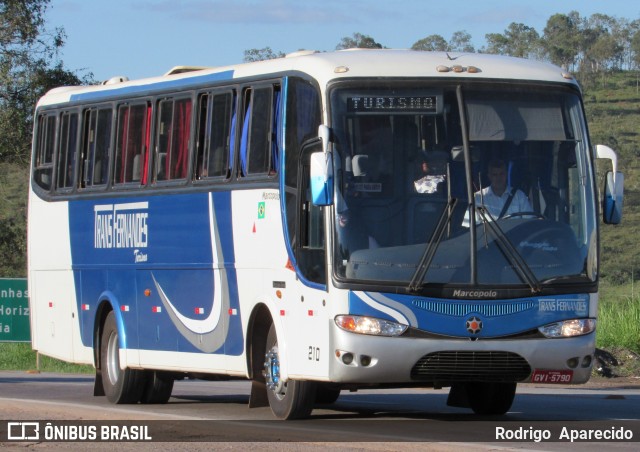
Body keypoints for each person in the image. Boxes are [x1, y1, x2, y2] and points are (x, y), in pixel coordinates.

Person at [463, 159, 532, 226]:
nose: (498, 178)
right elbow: (469, 228)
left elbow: (530, 223)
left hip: (515, 237)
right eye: (495, 175)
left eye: (501, 174)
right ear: (489, 176)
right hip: (489, 237)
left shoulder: (519, 196)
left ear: (506, 174)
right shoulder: (478, 198)